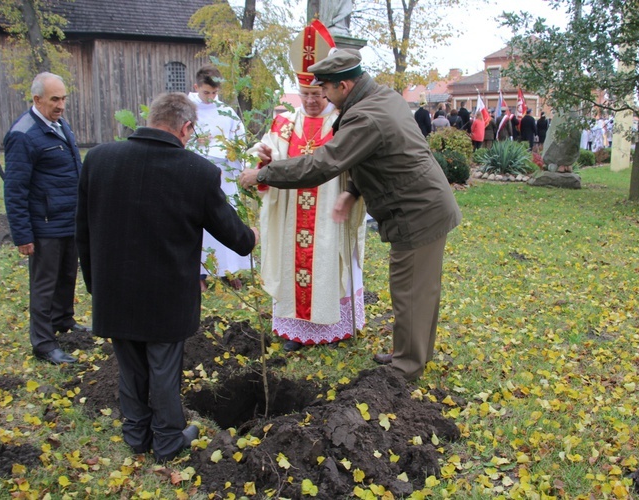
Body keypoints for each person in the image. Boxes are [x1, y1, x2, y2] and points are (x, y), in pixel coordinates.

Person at [240, 48, 462, 381]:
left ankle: (406, 367)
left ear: (343, 86)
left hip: (416, 212)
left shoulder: (365, 115)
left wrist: (263, 175)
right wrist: (352, 191)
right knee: (419, 290)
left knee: (411, 292)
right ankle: (411, 354)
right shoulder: (382, 97)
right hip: (422, 204)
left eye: (326, 89)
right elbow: (381, 155)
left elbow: (323, 164)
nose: (323, 97)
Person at [76, 92, 258, 462]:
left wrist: (96, 284)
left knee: (129, 365)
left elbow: (83, 230)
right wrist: (253, 234)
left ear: (151, 117)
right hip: (166, 295)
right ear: (186, 127)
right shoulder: (198, 172)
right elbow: (236, 239)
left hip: (114, 290)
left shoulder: (98, 159)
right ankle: (169, 439)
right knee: (163, 367)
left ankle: (136, 434)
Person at [257, 20, 366, 352]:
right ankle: (294, 328)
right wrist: (265, 159)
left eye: (317, 94)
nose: (311, 101)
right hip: (292, 217)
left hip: (330, 214)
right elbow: (268, 153)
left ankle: (333, 327)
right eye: (304, 94)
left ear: (328, 91)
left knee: (329, 264)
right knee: (294, 264)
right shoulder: (286, 123)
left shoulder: (342, 122)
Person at [4, 72, 91, 366]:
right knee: (44, 284)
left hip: (69, 219)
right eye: (55, 99)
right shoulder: (23, 134)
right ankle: (43, 342)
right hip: (44, 224)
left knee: (67, 276)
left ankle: (64, 322)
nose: (61, 105)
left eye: (64, 98)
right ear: (36, 99)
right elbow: (15, 188)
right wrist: (23, 235)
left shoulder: (59, 125)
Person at [188, 65, 250, 291]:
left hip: (224, 176)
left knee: (226, 218)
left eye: (215, 93)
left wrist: (234, 151)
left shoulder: (226, 112)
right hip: (197, 173)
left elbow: (239, 138)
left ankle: (229, 269)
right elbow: (177, 138)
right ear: (196, 87)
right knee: (199, 221)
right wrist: (195, 142)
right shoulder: (186, 109)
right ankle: (199, 272)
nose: (211, 97)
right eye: (206, 93)